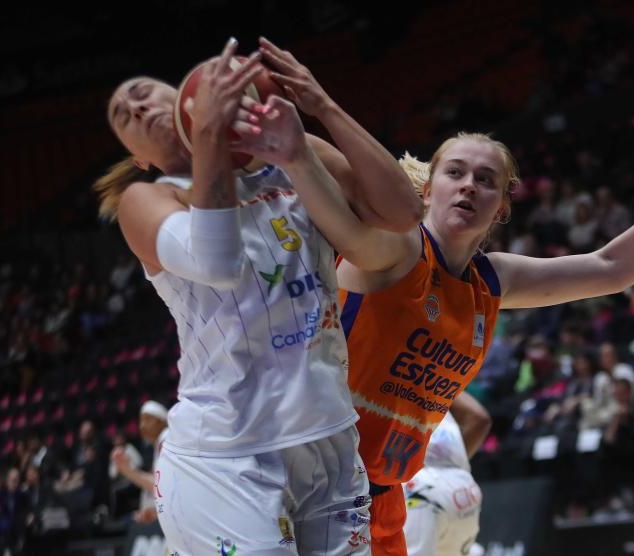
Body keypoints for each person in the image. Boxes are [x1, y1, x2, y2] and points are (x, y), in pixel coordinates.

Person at [254, 95, 634, 553]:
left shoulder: (493, 281)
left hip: (380, 497)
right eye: (456, 172)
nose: (470, 184)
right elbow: (329, 167)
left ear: (501, 208)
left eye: (486, 179)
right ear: (427, 190)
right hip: (304, 478)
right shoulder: (395, 250)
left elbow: (612, 268)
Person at [96, 38, 421, 555]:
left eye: (142, 94)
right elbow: (216, 262)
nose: (136, 107)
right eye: (124, 116)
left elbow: (405, 215)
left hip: (329, 437)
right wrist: (208, 133)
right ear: (138, 157)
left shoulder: (294, 155)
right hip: (225, 458)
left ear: (183, 91)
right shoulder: (146, 200)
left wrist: (322, 107)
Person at [402, 395, 490, 556]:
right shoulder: (437, 378)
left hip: (419, 489)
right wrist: (453, 464)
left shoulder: (360, 377)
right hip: (463, 484)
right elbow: (480, 419)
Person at [110, 400, 168, 524]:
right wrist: (154, 511)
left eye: (147, 420)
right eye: (141, 420)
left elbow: (162, 486)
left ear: (161, 422)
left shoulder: (166, 438)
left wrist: (127, 470)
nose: (142, 426)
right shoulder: (159, 444)